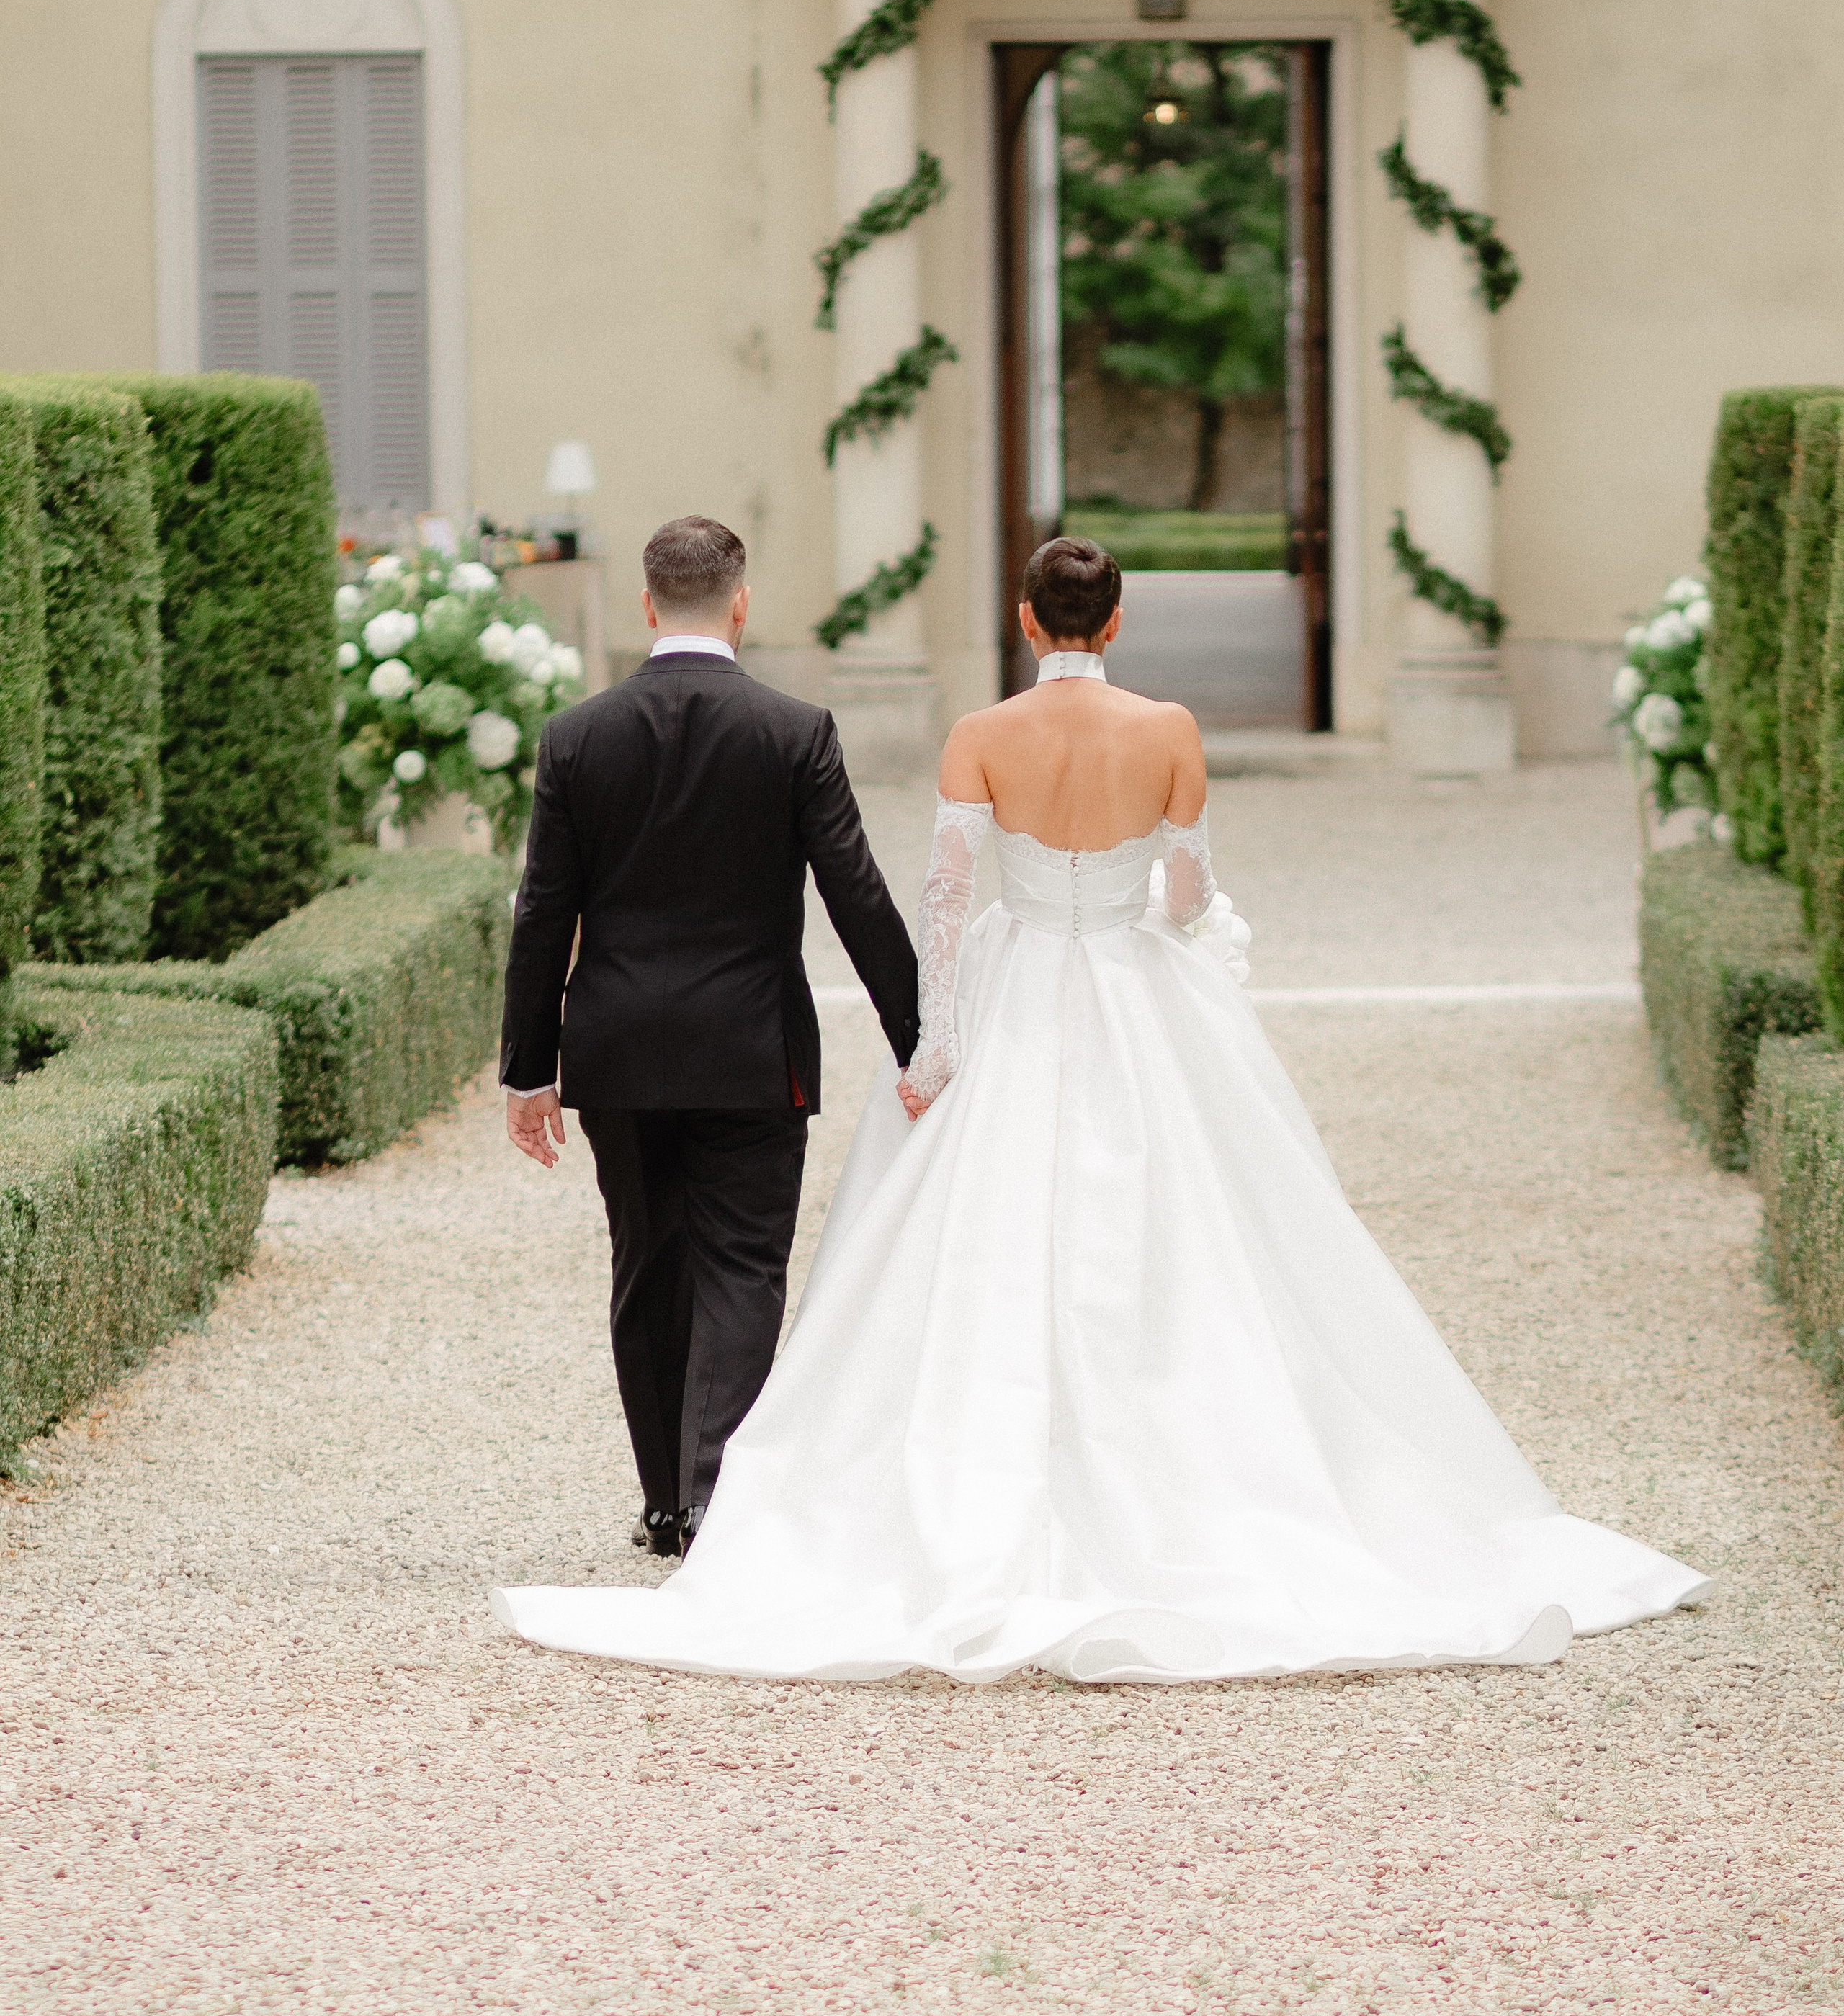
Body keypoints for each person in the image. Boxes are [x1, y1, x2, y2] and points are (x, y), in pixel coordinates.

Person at [492, 536, 1708, 1682]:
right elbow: (1186, 890)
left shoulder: (980, 731)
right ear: (1115, 620)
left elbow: (946, 900)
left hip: (998, 994)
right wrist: (1154, 920)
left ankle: (706, 1497)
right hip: (1134, 993)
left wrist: (935, 1043)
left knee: (906, 1249)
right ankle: (1180, 1469)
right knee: (1196, 1238)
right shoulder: (1169, 727)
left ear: (1026, 622)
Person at [498, 514, 918, 1559]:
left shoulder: (577, 737)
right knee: (740, 1270)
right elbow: (856, 896)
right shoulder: (794, 730)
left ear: (648, 606)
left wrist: (527, 1069)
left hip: (621, 1051)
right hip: (751, 1051)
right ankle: (713, 1505)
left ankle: (663, 1502)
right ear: (740, 604)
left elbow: (542, 912)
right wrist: (920, 1035)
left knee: (647, 1265)